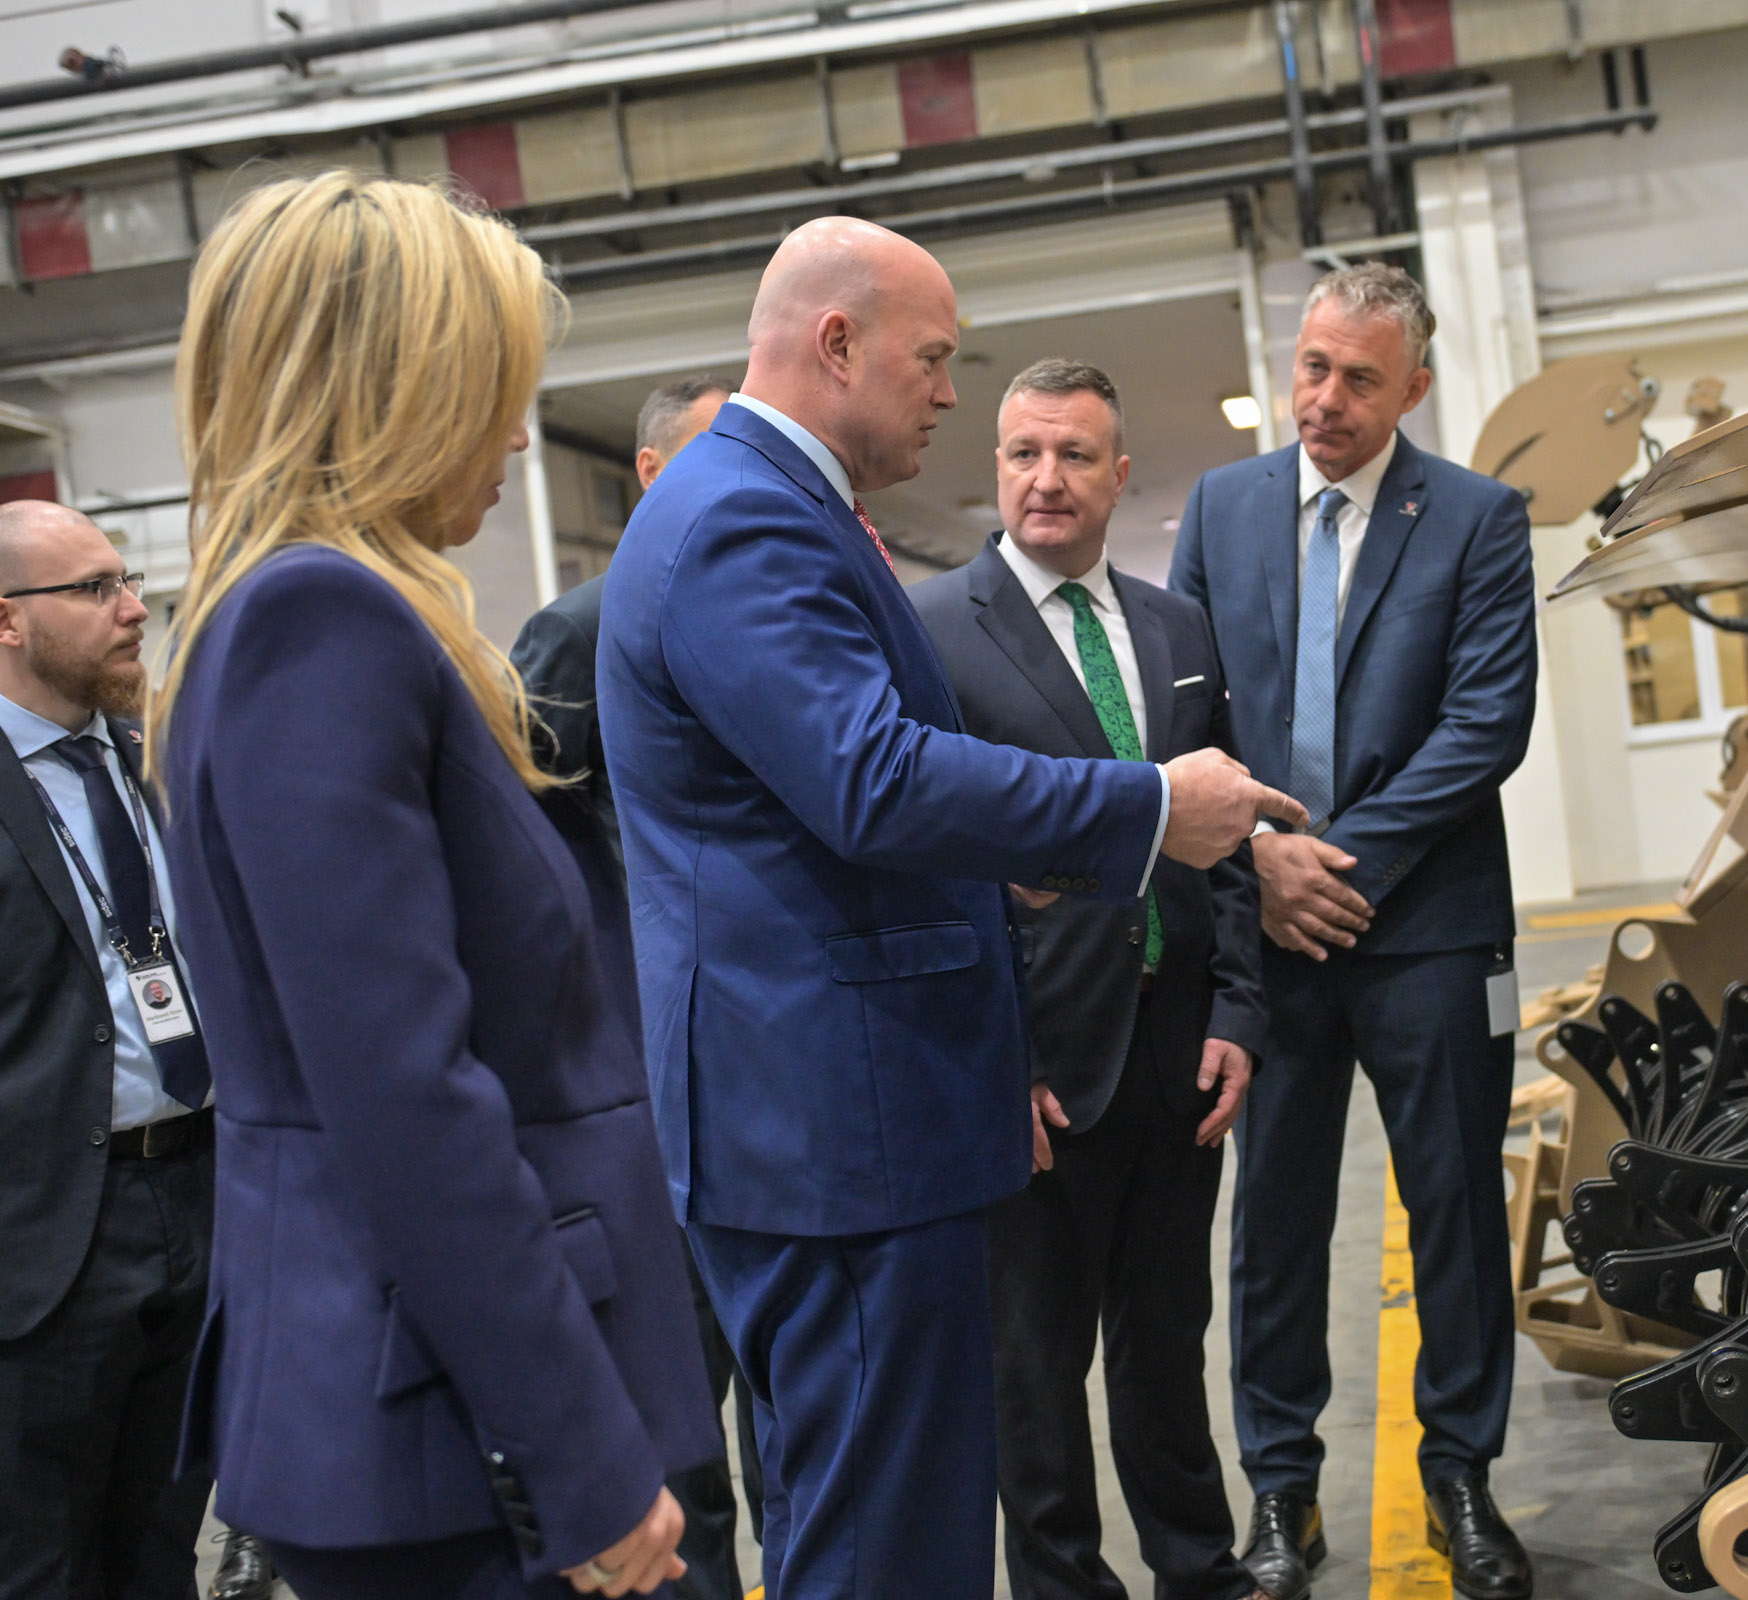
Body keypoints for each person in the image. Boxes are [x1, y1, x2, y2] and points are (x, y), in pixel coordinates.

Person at [597, 217, 1304, 1600]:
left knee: (865, 1513)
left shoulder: (779, 507)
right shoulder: (745, 516)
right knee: (887, 1538)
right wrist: (1145, 807)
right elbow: (869, 777)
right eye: (931, 359)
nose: (944, 392)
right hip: (834, 1126)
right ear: (836, 342)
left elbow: (812, 802)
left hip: (841, 1116)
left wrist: (994, 864)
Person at [150, 171, 719, 1598]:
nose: (518, 432)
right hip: (453, 1432)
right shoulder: (316, 622)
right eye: (490, 385)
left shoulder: (294, 617)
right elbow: (408, 1098)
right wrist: (580, 1453)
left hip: (441, 1402)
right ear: (395, 389)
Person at [1169, 263, 1539, 1600]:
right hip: (1266, 933)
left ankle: (1462, 1475)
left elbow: (1485, 724)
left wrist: (1334, 863)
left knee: (1454, 1207)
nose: (1325, 399)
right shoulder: (1223, 507)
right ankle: (1281, 1487)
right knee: (1273, 1220)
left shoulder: (1479, 519)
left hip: (1429, 926)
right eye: (1313, 367)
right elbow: (1189, 703)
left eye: (1361, 379)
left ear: (1414, 388)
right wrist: (1260, 858)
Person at [909, 361, 1271, 1600]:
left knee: (1168, 1341)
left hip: (1178, 1056)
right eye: (1024, 453)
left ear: (1119, 476)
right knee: (1034, 1363)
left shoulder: (1177, 630)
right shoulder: (935, 632)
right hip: (1039, 1070)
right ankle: (1062, 1583)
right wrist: (991, 1063)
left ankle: (1198, 1567)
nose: (1046, 479)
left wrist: (1238, 1010)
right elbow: (935, 868)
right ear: (996, 468)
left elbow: (1228, 837)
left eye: (1073, 456)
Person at [511, 372, 765, 1600]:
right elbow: (524, 851)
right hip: (648, 1084)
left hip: (756, 1070)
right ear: (654, 476)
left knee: (782, 1393)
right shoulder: (579, 630)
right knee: (682, 1406)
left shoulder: (747, 617)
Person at [0, 500, 221, 1598]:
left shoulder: (154, 761)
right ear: (7, 619)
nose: (133, 608)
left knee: (162, 1555)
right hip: (42, 1248)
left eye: (126, 580)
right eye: (94, 589)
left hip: (198, 1202)